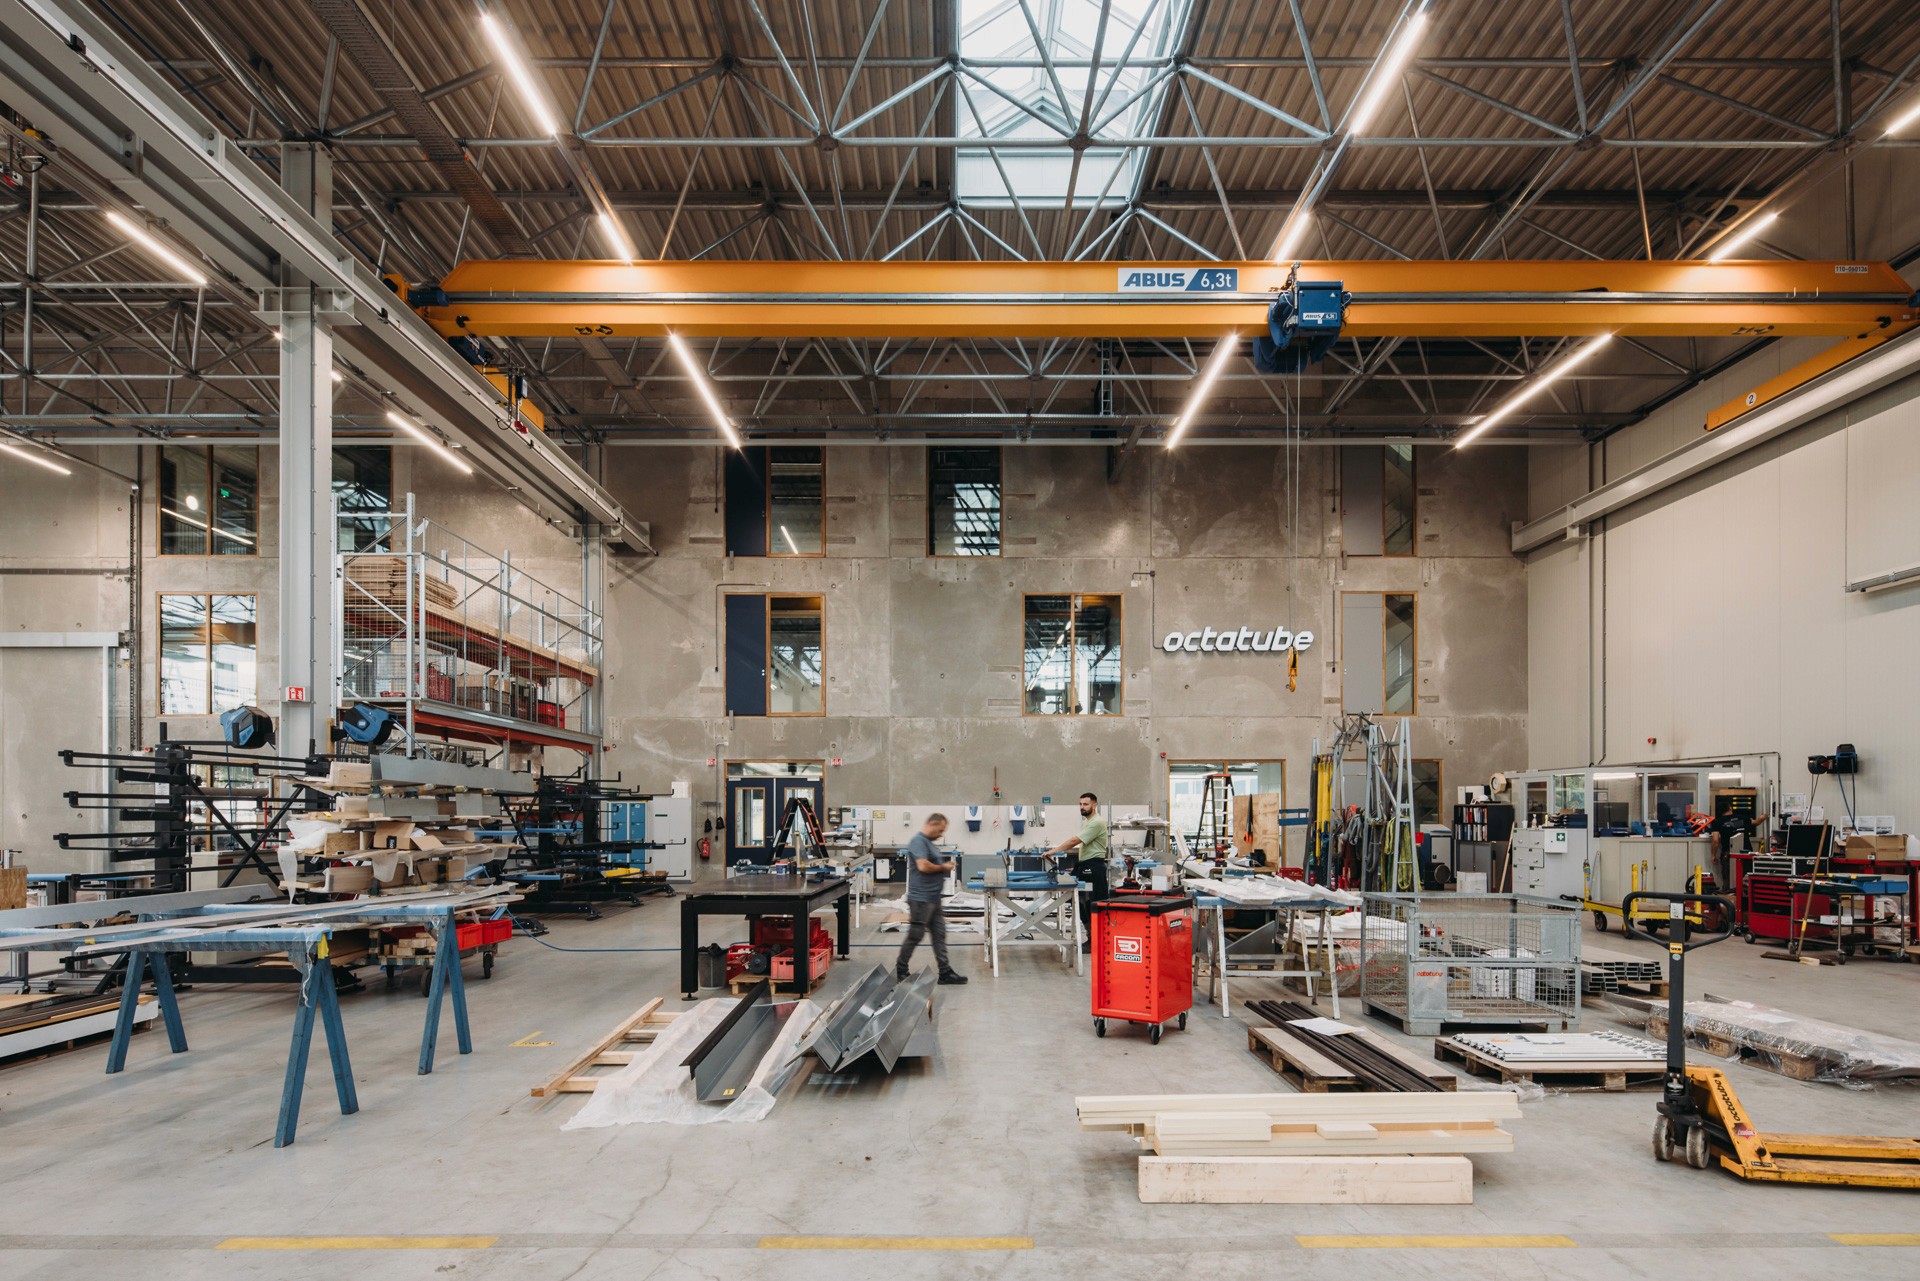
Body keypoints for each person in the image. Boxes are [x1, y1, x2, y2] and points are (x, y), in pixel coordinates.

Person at [895, 813, 968, 985]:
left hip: (933, 898)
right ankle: (901, 970)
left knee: (939, 935)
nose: (941, 834)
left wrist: (944, 867)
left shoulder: (928, 843)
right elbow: (923, 865)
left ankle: (945, 972)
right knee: (915, 935)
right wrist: (944, 867)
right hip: (921, 899)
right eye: (940, 830)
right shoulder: (918, 841)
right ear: (932, 824)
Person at [1046, 792, 1109, 952]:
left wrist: (1053, 851)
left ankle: (1097, 941)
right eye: (1080, 804)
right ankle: (1091, 937)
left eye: (1085, 804)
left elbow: (1075, 841)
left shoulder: (1097, 822)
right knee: (1081, 904)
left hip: (1094, 867)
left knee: (1092, 904)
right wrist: (1076, 869)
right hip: (1086, 864)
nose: (1082, 807)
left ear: (1094, 805)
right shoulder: (1087, 822)